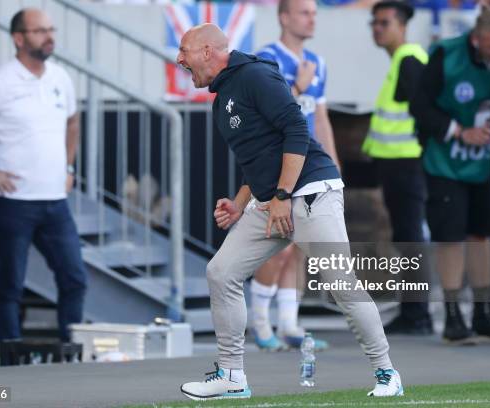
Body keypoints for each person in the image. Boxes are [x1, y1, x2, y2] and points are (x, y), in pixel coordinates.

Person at [176, 23, 403, 401]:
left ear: (208, 51)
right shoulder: (222, 98)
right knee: (221, 272)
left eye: (184, 50)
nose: (179, 59)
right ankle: (231, 375)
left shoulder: (256, 74)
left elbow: (296, 130)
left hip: (311, 191)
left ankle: (387, 373)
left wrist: (282, 194)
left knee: (341, 285)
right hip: (271, 200)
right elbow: (257, 158)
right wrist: (239, 202)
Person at [0, 8, 86, 364]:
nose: (48, 36)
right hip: (12, 203)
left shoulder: (61, 77)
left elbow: (73, 121)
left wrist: (69, 165)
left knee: (74, 279)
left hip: (55, 201)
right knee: (11, 286)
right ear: (19, 38)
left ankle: (71, 357)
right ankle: (9, 361)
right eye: (39, 30)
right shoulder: (0, 81)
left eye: (50, 29)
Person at [410, 8, 490, 344]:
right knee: (450, 235)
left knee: (482, 232)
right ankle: (453, 315)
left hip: (483, 162)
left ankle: (484, 312)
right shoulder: (447, 55)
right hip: (445, 161)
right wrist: (459, 132)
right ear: (476, 40)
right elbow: (419, 106)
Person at [250, 0, 340, 352]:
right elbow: (264, 114)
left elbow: (321, 118)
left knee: (301, 245)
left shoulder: (319, 62)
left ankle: (289, 324)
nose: (312, 18)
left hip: (311, 167)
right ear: (284, 17)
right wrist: (298, 88)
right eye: (305, 12)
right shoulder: (266, 59)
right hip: (276, 164)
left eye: (315, 13)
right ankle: (259, 324)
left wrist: (332, 162)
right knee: (277, 247)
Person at [362, 1, 433, 335]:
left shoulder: (409, 60)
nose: (377, 28)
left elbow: (425, 113)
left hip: (407, 163)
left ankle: (417, 315)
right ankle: (413, 312)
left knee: (410, 238)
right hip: (397, 164)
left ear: (401, 26)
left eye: (384, 23)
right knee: (406, 236)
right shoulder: (401, 61)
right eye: (374, 23)